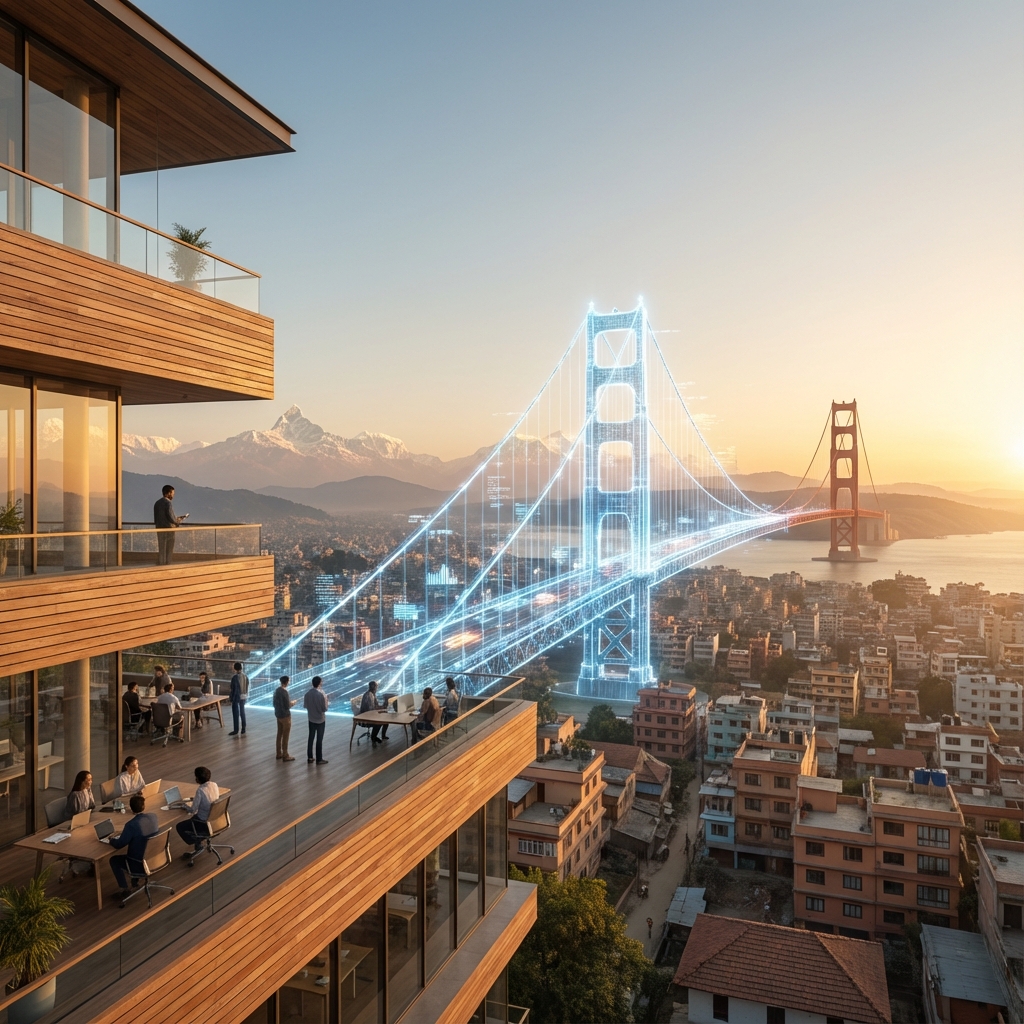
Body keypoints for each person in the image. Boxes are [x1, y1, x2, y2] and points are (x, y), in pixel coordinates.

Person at [108, 794, 159, 900]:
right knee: (139, 848)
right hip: (154, 858)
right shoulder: (153, 817)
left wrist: (111, 840)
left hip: (138, 863)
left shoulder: (131, 825)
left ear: (131, 808)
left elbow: (119, 845)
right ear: (144, 806)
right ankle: (135, 881)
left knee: (114, 860)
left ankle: (124, 889)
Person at [175, 766, 220, 856]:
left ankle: (198, 840)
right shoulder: (214, 784)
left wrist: (183, 805)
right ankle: (200, 839)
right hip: (215, 819)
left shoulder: (200, 790)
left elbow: (193, 809)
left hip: (203, 821)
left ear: (197, 779)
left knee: (180, 827)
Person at [154, 484, 185, 565]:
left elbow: (156, 518)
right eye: (172, 493)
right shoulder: (168, 503)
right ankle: (168, 563)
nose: (173, 496)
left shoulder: (157, 503)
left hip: (159, 528)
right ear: (168, 493)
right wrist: (178, 521)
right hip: (169, 529)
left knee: (161, 548)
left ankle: (161, 563)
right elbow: (171, 517)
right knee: (169, 548)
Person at [303, 676, 329, 764]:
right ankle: (319, 758)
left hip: (311, 719)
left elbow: (305, 706)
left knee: (311, 738)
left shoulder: (307, 694)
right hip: (320, 719)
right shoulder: (322, 694)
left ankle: (310, 757)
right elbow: (324, 708)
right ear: (319, 683)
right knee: (319, 739)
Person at [273, 675, 297, 761]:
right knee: (286, 736)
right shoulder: (284, 692)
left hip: (278, 715)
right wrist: (293, 702)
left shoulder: (276, 691)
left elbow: (274, 704)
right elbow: (288, 705)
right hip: (286, 716)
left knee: (279, 734)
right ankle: (285, 755)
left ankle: (278, 753)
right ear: (286, 682)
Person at [359, 680, 388, 745]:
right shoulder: (369, 695)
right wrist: (381, 708)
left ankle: (383, 735)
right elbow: (371, 709)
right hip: (366, 716)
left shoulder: (372, 694)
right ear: (373, 687)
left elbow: (375, 706)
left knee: (386, 718)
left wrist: (382, 707)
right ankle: (373, 737)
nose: (377, 688)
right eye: (376, 686)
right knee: (379, 722)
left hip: (370, 714)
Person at [228, 661, 248, 736]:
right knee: (242, 712)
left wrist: (231, 698)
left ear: (234, 669)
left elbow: (234, 689)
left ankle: (236, 730)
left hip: (236, 697)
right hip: (244, 696)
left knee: (235, 713)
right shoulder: (245, 676)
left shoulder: (235, 677)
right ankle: (243, 728)